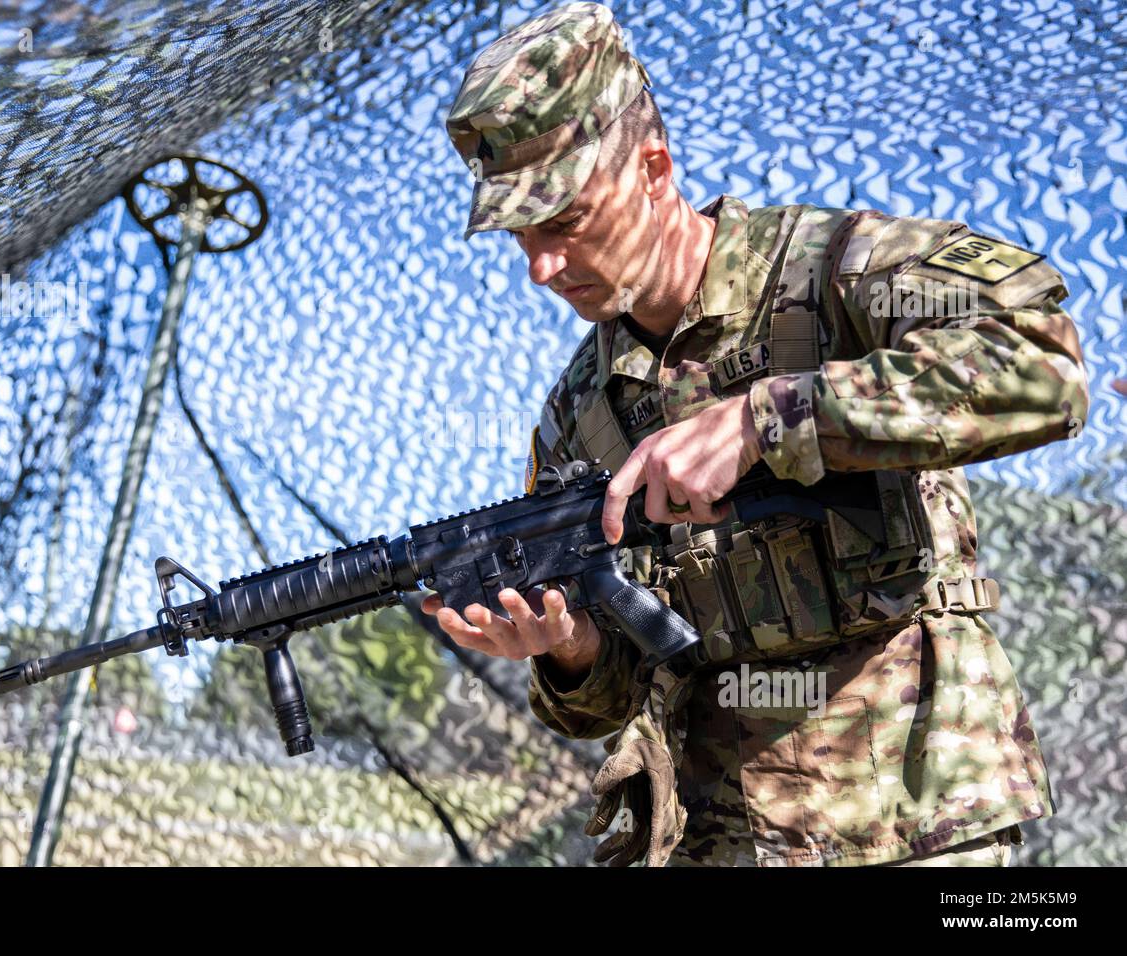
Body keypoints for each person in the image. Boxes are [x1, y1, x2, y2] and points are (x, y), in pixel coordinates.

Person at [422, 1, 1090, 866]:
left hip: (906, 823)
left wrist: (766, 420)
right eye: (519, 235)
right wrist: (571, 649)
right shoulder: (578, 418)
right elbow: (608, 700)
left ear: (653, 170)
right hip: (713, 840)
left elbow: (1042, 362)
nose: (540, 268)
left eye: (565, 222)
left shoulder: (833, 270)